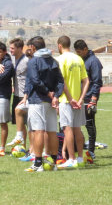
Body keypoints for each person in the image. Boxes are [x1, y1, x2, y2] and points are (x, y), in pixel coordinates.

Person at [22, 36, 64, 172]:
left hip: (37, 99)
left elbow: (35, 80)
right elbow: (60, 81)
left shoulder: (34, 61)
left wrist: (48, 93)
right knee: (52, 131)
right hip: (51, 101)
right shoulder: (53, 60)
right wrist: (56, 95)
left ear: (33, 48)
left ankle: (38, 163)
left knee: (38, 130)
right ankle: (54, 163)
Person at [56, 36, 89, 169]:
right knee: (77, 129)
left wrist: (70, 99)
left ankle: (72, 158)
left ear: (59, 46)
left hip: (66, 100)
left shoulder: (60, 59)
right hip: (78, 101)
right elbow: (86, 81)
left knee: (67, 129)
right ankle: (80, 157)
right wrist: (80, 99)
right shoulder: (78, 58)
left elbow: (62, 81)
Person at [73, 39, 103, 163]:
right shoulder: (81, 60)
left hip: (89, 97)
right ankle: (75, 148)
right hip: (79, 97)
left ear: (85, 49)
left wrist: (94, 99)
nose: (78, 54)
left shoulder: (94, 61)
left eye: (80, 52)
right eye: (77, 52)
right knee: (76, 124)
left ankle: (91, 151)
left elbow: (97, 82)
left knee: (89, 124)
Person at [6, 38, 29, 147]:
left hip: (25, 95)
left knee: (29, 124)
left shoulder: (27, 61)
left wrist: (27, 95)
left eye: (13, 48)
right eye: (10, 48)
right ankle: (22, 147)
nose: (11, 50)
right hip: (16, 95)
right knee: (20, 124)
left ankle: (32, 149)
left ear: (20, 48)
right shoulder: (11, 58)